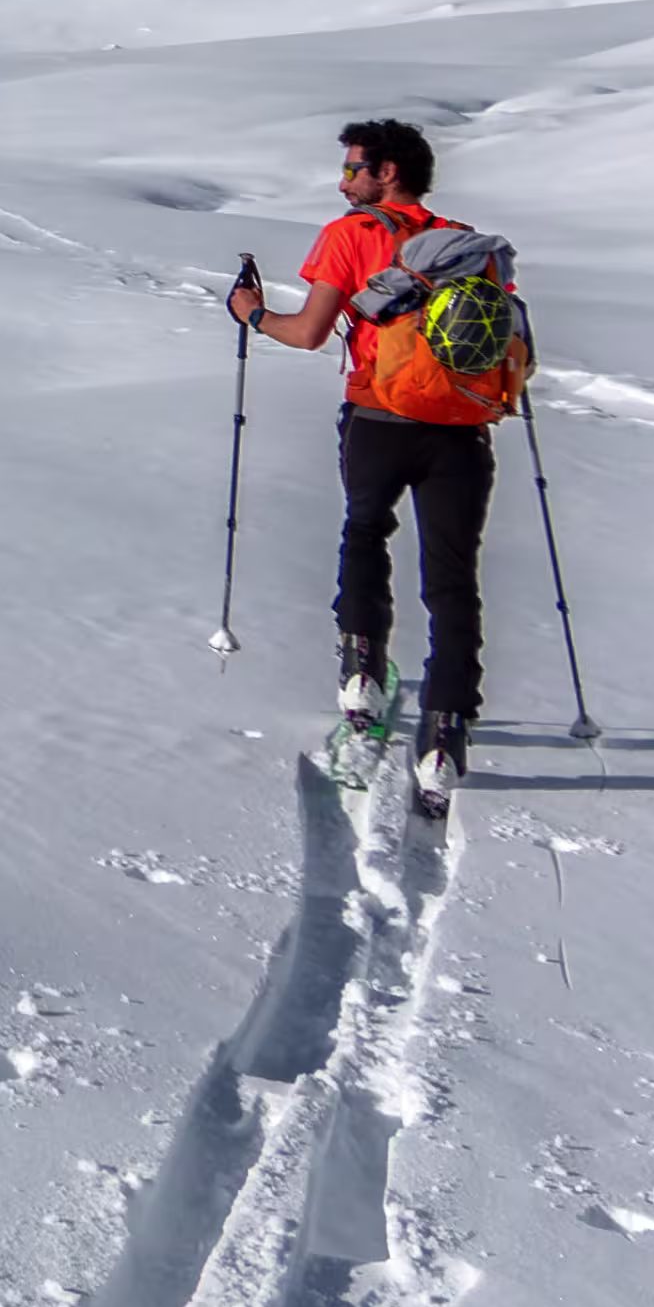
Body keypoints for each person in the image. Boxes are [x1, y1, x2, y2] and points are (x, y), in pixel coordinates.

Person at [227, 117, 496, 804]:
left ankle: (363, 672)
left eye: (354, 169)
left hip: (378, 418)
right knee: (453, 576)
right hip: (462, 430)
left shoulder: (351, 236)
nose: (344, 181)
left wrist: (252, 314)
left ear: (389, 174)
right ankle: (444, 734)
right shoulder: (467, 244)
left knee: (365, 531)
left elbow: (311, 332)